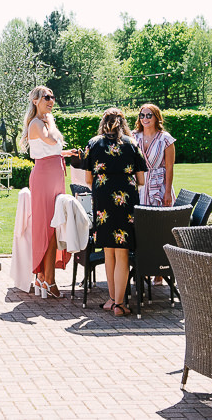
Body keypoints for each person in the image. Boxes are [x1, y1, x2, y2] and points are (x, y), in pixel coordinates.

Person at [78, 107, 146, 316]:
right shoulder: (132, 143)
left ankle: (111, 299)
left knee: (109, 251)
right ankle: (119, 304)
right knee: (122, 252)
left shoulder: (93, 143)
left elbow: (88, 180)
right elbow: (141, 180)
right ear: (123, 123)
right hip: (125, 200)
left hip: (103, 199)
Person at [22, 86, 81, 298]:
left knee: (54, 226)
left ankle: (45, 277)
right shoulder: (38, 123)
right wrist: (52, 122)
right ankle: (47, 278)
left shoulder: (44, 122)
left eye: (53, 96)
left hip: (54, 175)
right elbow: (51, 141)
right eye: (47, 97)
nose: (51, 100)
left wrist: (66, 153)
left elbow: (52, 148)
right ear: (36, 100)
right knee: (48, 227)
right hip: (45, 177)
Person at [133, 103, 175, 207]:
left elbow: (169, 167)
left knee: (160, 219)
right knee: (139, 219)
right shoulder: (133, 137)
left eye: (149, 115)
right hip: (138, 185)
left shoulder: (165, 139)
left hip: (159, 185)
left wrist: (168, 192)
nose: (145, 118)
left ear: (156, 117)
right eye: (142, 115)